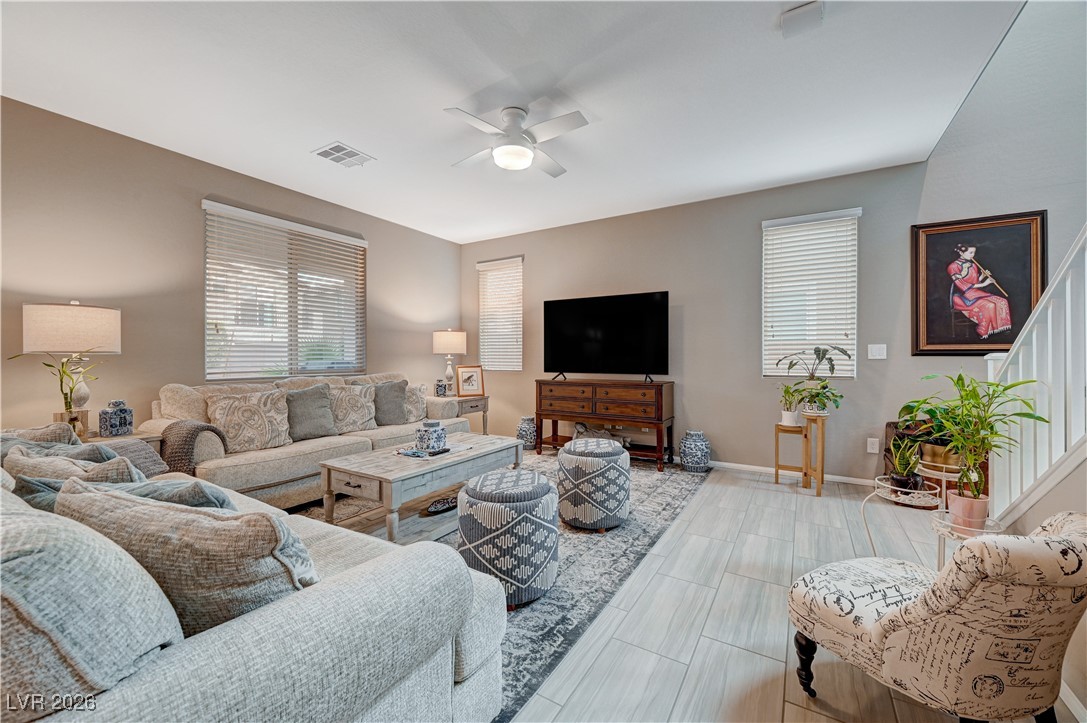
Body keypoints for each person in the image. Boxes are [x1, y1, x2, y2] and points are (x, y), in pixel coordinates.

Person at [948, 244, 1011, 339]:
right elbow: (962, 285)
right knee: (990, 305)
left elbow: (975, 282)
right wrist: (984, 284)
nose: (972, 255)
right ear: (961, 253)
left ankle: (1000, 328)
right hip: (962, 296)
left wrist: (983, 276)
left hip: (975, 293)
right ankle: (982, 330)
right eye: (970, 252)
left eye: (974, 252)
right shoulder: (953, 266)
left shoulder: (973, 265)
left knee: (1002, 301)